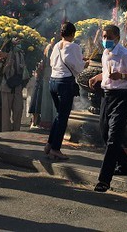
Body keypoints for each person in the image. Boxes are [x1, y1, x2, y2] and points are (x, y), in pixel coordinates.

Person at [88, 24, 127, 193]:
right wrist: (96, 77)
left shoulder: (124, 53)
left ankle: (104, 179)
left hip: (122, 96)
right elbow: (106, 72)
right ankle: (124, 165)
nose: (105, 40)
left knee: (113, 137)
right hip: (107, 95)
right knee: (104, 132)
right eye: (103, 37)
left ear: (117, 37)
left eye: (108, 37)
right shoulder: (105, 53)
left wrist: (121, 76)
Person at [45, 22, 86, 160]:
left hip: (53, 82)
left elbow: (52, 62)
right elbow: (78, 67)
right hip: (65, 83)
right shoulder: (74, 46)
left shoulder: (56, 45)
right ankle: (56, 148)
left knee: (59, 115)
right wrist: (84, 64)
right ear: (73, 34)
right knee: (63, 117)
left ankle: (50, 144)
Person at [0, 40, 29, 132]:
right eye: (16, 42)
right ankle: (6, 132)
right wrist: (7, 66)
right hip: (6, 86)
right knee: (6, 112)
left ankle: (16, 131)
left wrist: (23, 67)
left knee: (18, 109)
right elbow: (0, 71)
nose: (18, 44)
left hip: (17, 85)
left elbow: (24, 69)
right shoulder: (5, 54)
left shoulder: (21, 53)